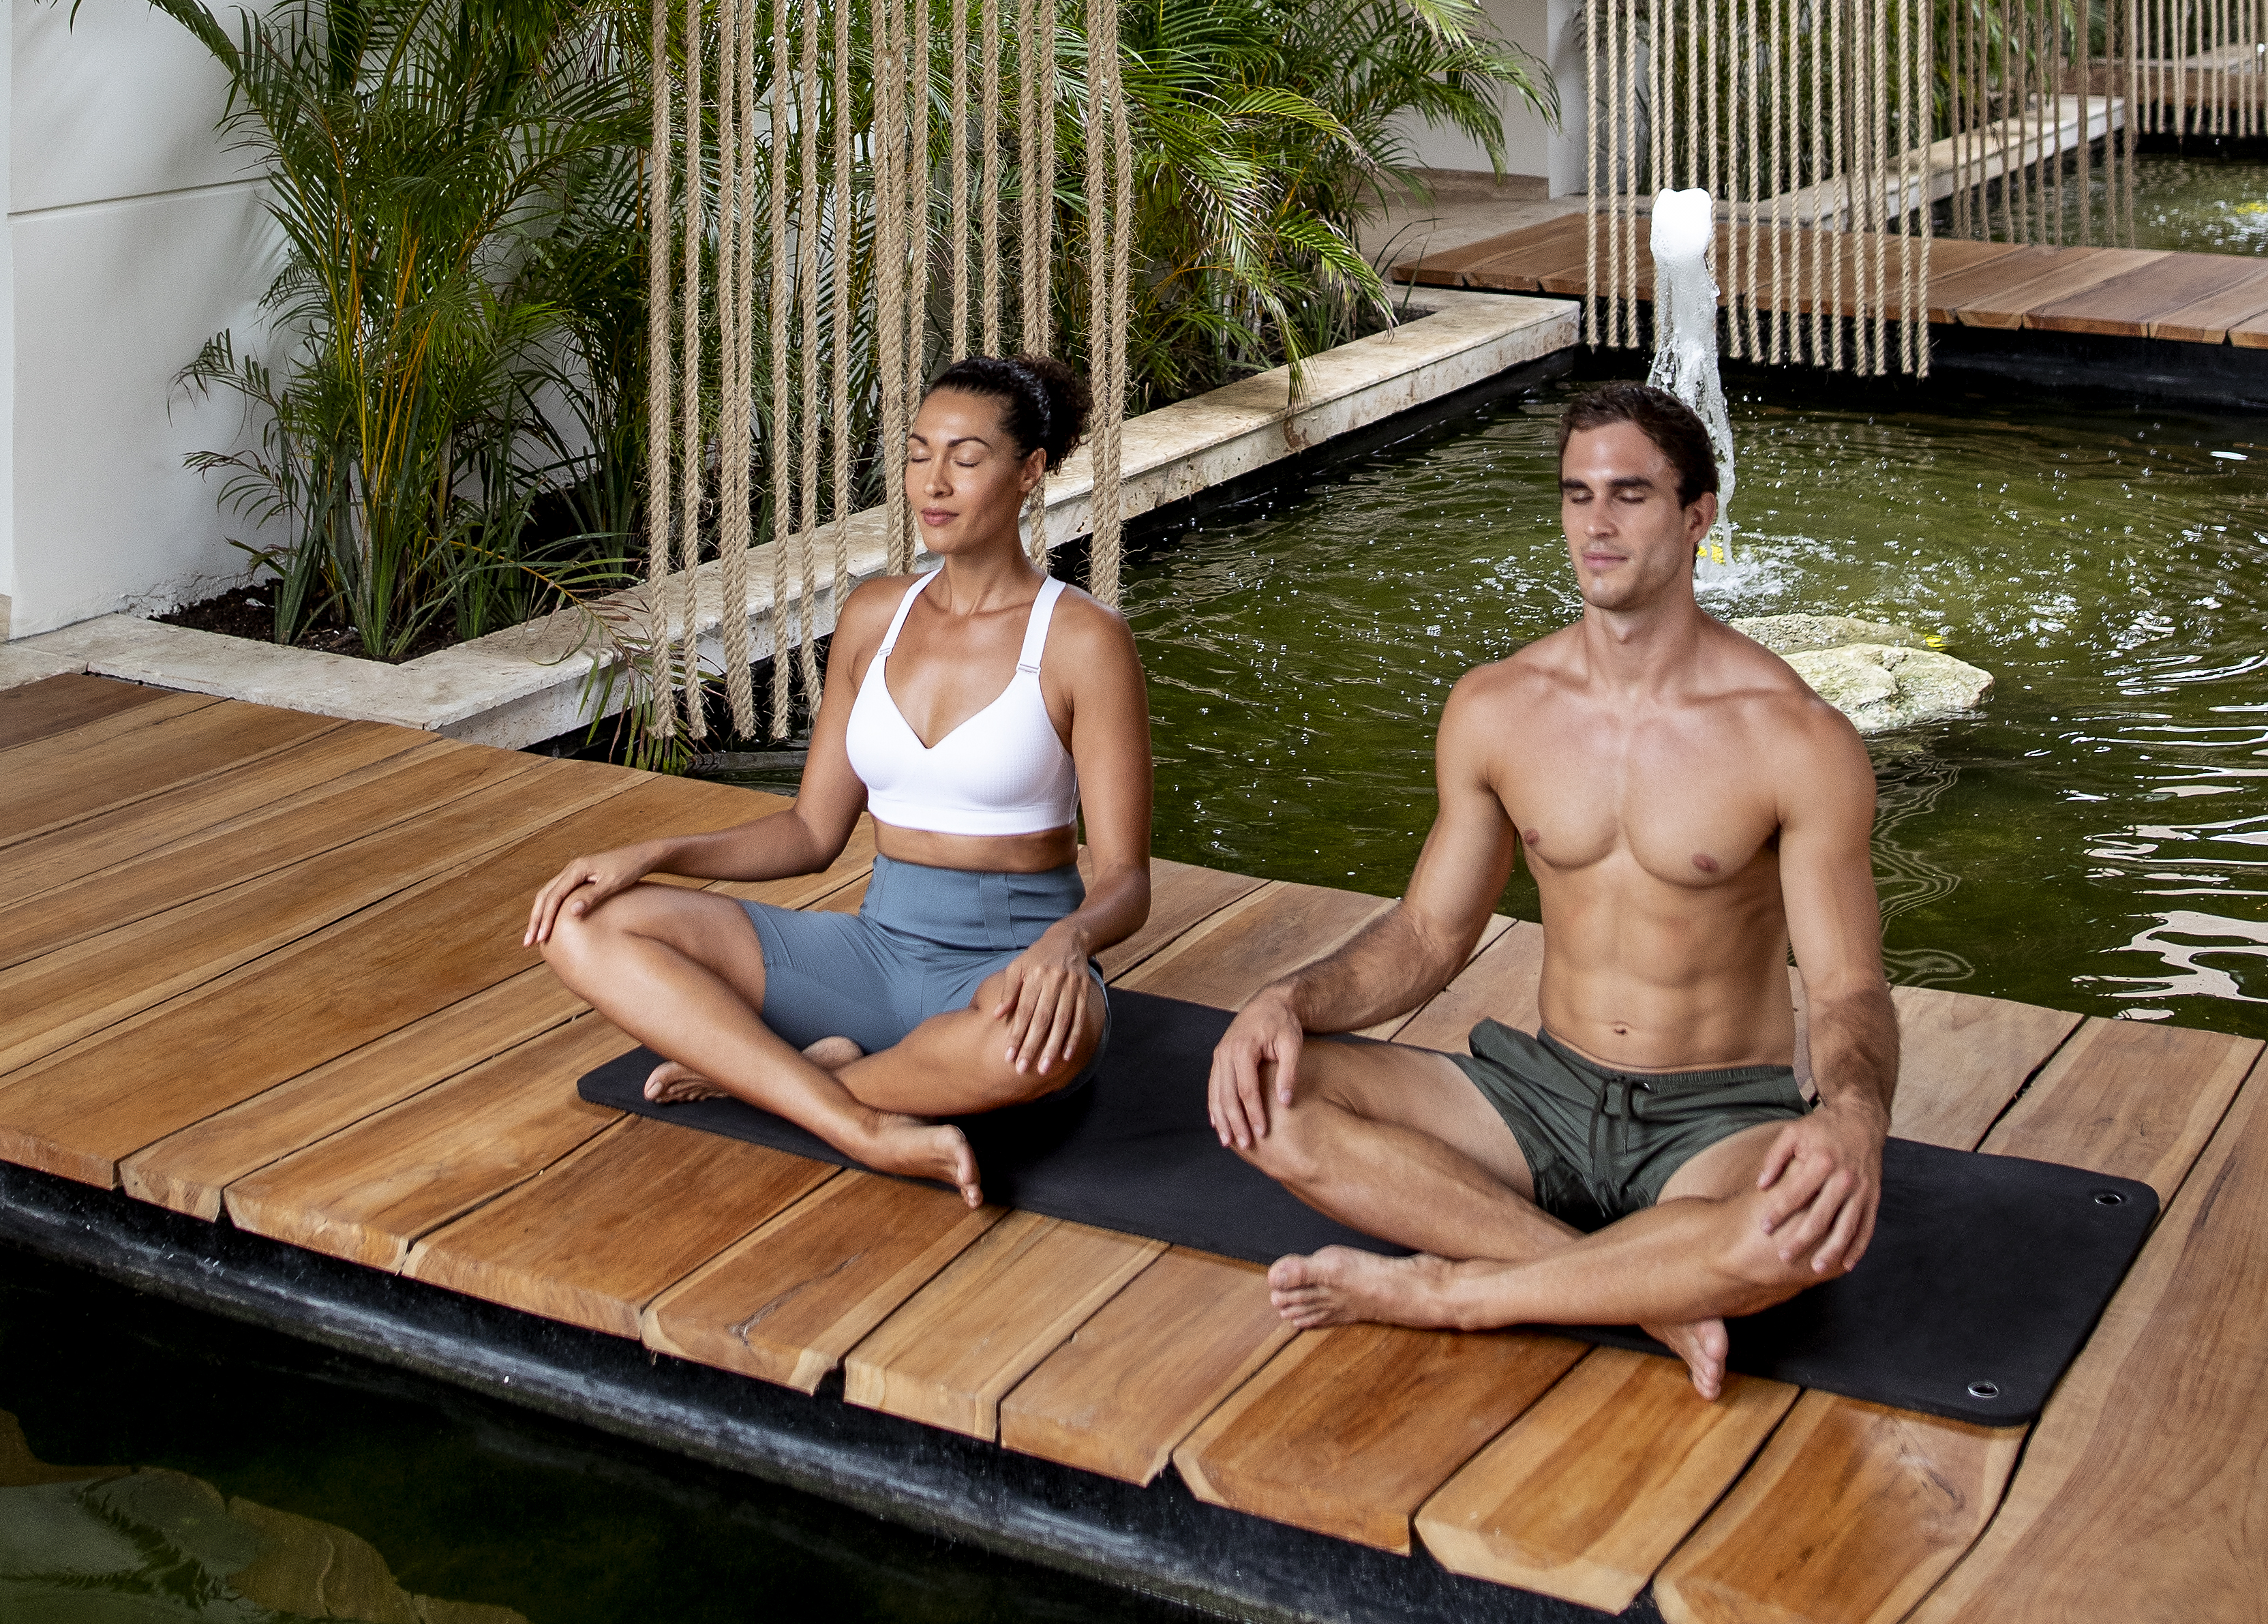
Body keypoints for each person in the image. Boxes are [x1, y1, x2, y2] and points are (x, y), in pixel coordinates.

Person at [1206, 379, 1896, 1398]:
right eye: (1578, 495)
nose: (1596, 524)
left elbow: (1846, 989)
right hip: (1539, 1095)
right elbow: (1429, 935)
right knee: (1265, 1097)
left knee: (1800, 1231)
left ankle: (1459, 1290)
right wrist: (1287, 1000)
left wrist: (1853, 1116)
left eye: (1630, 494)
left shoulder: (1795, 738)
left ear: (1698, 515)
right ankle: (1642, 1291)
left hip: (1714, 1121)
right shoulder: (1498, 707)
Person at [526, 355, 1152, 1206]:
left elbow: (1125, 879)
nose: (933, 482)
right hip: (870, 956)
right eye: (918, 454)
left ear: (1028, 470)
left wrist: (1067, 943)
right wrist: (654, 852)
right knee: (582, 925)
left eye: (965, 458)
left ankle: (777, 1081)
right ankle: (858, 1118)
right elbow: (810, 833)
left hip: (1008, 970)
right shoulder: (873, 615)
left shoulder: (1083, 640)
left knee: (1042, 1046)